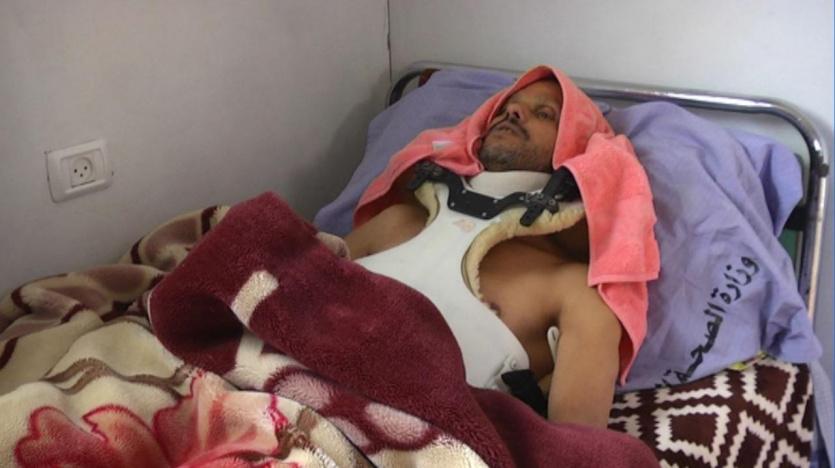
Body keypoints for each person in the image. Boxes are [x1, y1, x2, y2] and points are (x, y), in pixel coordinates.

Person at [344, 69, 655, 429]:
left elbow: (574, 444)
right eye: (506, 109)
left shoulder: (576, 292)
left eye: (544, 113)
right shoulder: (394, 222)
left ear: (577, 155)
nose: (513, 113)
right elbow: (297, 281)